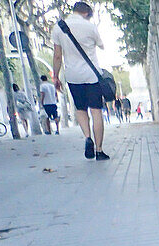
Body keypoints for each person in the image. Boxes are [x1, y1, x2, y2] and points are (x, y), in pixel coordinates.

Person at [51, 1, 109, 160]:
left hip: (73, 76)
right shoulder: (90, 27)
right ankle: (99, 150)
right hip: (92, 75)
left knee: (81, 109)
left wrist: (56, 76)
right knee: (96, 111)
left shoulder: (59, 27)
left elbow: (57, 56)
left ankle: (87, 137)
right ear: (86, 14)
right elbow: (102, 45)